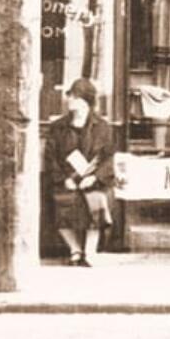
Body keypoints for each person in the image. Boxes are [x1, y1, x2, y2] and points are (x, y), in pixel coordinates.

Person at [45, 78, 116, 266]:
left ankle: (89, 251)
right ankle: (75, 249)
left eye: (74, 97)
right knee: (62, 204)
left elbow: (108, 157)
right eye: (70, 96)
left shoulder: (102, 127)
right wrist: (63, 178)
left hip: (92, 179)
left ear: (86, 101)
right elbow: (50, 156)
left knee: (96, 202)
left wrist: (94, 177)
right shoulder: (58, 127)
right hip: (66, 179)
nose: (70, 100)